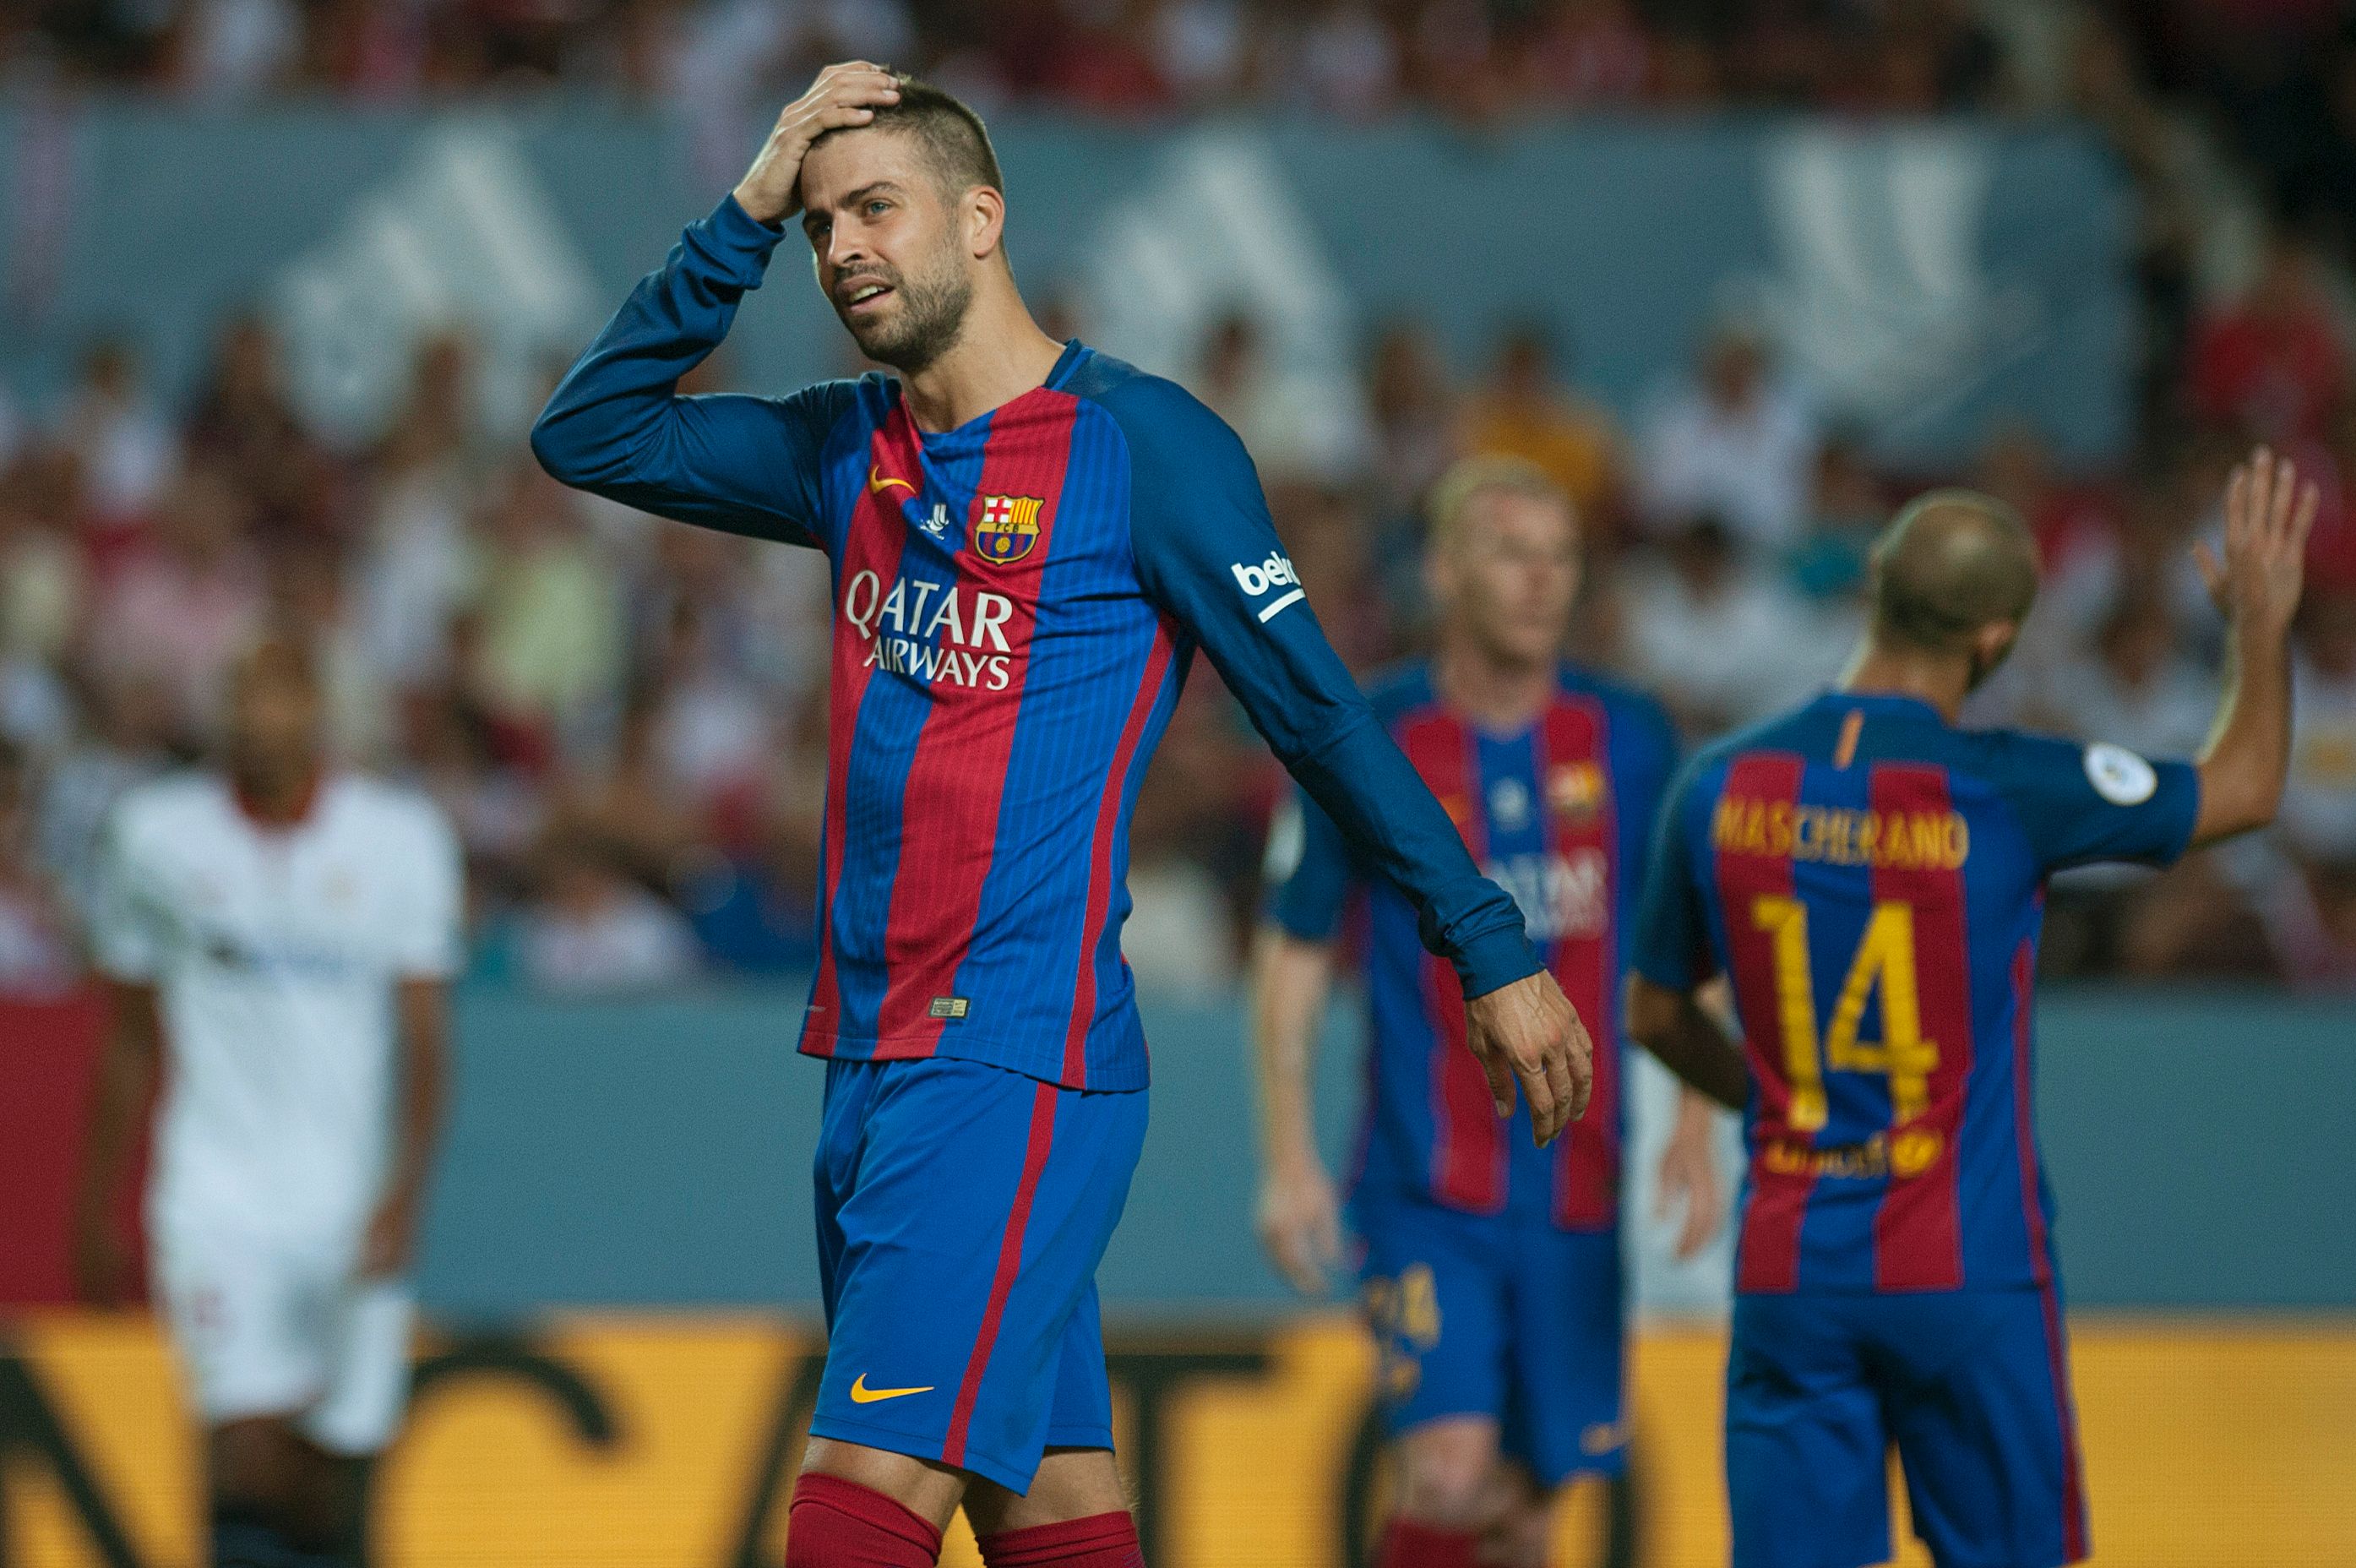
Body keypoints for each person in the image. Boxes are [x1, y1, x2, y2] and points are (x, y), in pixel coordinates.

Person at [529, 63, 1591, 1568]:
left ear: (981, 217)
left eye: (875, 208)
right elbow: (591, 435)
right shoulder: (848, 449)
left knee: (858, 1501)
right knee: (1052, 1504)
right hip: (871, 1053)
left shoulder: (1142, 450)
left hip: (1012, 1046)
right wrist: (746, 203)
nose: (842, 251)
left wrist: (1484, 943)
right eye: (821, 225)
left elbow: (1316, 714)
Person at [1624, 449, 2316, 1568]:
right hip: (1969, 1272)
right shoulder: (2007, 785)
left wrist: (1767, 1108)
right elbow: (2242, 790)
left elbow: (1653, 1013)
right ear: (1993, 642)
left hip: (1794, 1269)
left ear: (1878, 587)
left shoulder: (1720, 783)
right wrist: (2259, 627)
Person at [1254, 458, 1722, 1568]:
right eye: (1511, 552)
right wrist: (1286, 1155)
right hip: (1426, 1189)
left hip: (1577, 1188)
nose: (1540, 581)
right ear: (1444, 569)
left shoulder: (1632, 736)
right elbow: (1295, 946)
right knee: (1449, 1473)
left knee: (1521, 1516)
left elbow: (1685, 930)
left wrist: (1699, 1121)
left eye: (1559, 556)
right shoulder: (1368, 736)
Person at [72, 637, 461, 1568]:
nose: (260, 721)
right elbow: (129, 1035)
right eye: (243, 698)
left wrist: (402, 1195)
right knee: (240, 1445)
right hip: (212, 1193)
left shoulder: (398, 840)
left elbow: (427, 1045)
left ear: (317, 712)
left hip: (347, 1199)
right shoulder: (154, 835)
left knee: (326, 1471)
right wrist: (95, 1205)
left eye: (280, 698)